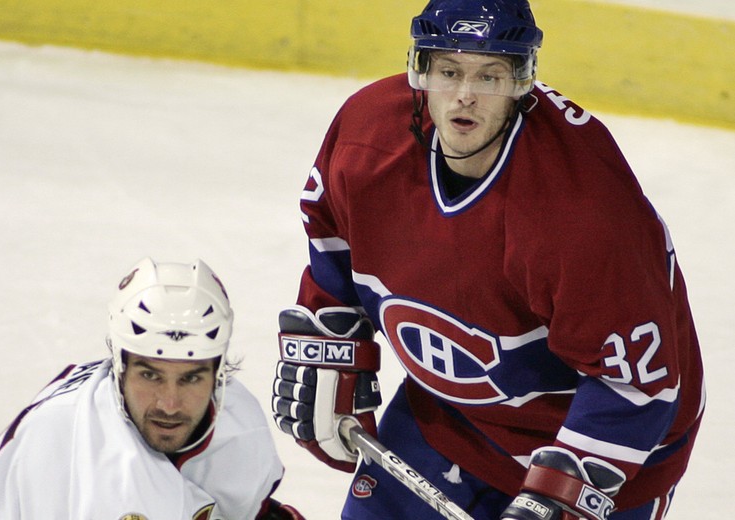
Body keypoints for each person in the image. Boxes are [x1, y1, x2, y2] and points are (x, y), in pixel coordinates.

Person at [270, 1, 705, 519]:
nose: (465, 94)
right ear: (422, 71)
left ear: (523, 84)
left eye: (490, 75)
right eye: (449, 71)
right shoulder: (367, 136)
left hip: (609, 456)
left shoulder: (583, 211)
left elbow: (638, 386)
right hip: (445, 421)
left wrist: (563, 492)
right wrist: (330, 341)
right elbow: (331, 235)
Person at [0, 257, 303, 520]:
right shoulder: (90, 462)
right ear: (118, 368)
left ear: (219, 376)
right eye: (149, 375)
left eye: (190, 378)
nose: (170, 404)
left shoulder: (240, 422)